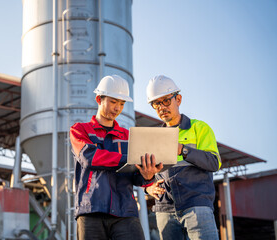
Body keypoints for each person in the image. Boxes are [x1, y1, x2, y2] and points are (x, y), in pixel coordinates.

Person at [70, 75, 163, 240]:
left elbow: (136, 177)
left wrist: (147, 175)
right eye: (113, 102)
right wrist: (129, 159)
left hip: (125, 211)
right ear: (99, 99)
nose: (118, 108)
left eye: (122, 103)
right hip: (91, 209)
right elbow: (90, 157)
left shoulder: (129, 137)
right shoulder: (80, 130)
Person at [145, 75, 221, 240]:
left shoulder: (199, 128)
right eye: (156, 104)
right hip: (165, 210)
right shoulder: (152, 137)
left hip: (197, 206)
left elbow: (214, 162)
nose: (161, 107)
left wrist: (183, 150)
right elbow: (146, 172)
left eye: (165, 101)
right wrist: (148, 187)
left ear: (178, 99)